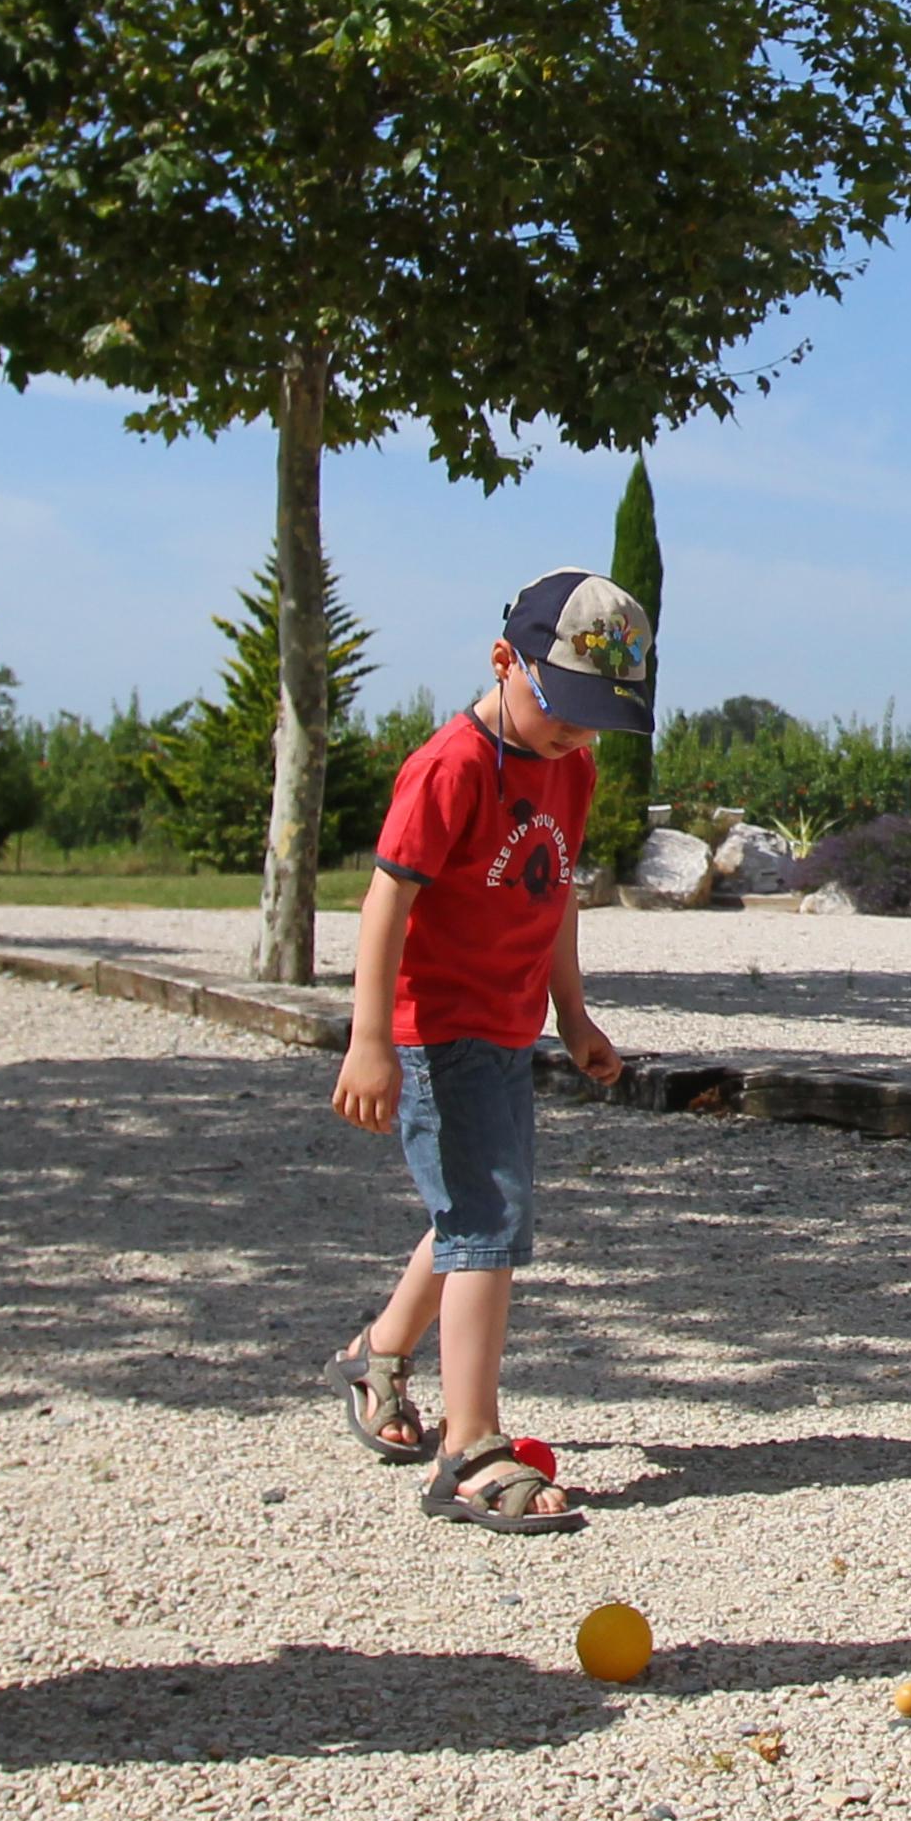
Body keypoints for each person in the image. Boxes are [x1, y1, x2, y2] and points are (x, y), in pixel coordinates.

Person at [329, 567, 654, 1531]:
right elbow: (386, 900)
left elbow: (552, 897)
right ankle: (469, 1446)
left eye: (600, 717)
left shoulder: (572, 767)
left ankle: (378, 1355)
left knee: (478, 1207)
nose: (580, 733)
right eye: (566, 708)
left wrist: (574, 1016)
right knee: (487, 1216)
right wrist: (370, 1042)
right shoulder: (451, 766)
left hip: (510, 1024)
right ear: (505, 660)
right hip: (436, 1027)